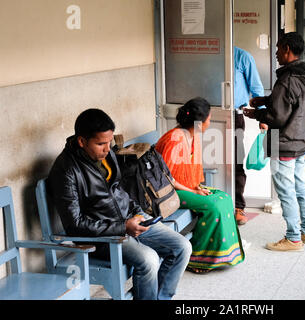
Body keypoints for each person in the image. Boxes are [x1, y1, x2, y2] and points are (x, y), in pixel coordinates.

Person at [47, 108, 192, 300]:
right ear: (82, 141)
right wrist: (122, 227)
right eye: (100, 144)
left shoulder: (106, 155)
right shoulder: (66, 171)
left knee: (182, 247)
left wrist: (137, 212)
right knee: (149, 260)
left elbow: (118, 191)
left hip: (129, 220)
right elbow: (75, 225)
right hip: (101, 237)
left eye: (109, 142)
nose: (108, 149)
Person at [244, 32, 305, 252]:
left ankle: (293, 238)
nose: (276, 53)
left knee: (286, 191)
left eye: (278, 48)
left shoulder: (287, 79)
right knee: (300, 186)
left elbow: (277, 116)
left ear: (287, 49)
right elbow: (291, 102)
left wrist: (256, 114)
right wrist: (266, 100)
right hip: (301, 141)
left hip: (284, 142)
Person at [155, 97, 245, 273]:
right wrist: (193, 191)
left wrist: (197, 187)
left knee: (224, 198)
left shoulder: (192, 135)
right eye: (209, 119)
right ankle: (196, 258)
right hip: (168, 193)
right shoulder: (175, 139)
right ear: (199, 122)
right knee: (212, 207)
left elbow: (191, 172)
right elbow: (166, 179)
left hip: (185, 187)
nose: (209, 123)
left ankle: (222, 254)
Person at [233, 46, 266, 225]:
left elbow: (256, 87)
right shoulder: (210, 52)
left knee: (236, 161)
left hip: (235, 116)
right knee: (209, 160)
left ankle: (238, 206)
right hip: (209, 113)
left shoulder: (241, 56)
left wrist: (262, 115)